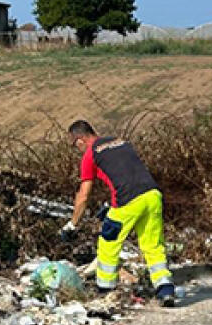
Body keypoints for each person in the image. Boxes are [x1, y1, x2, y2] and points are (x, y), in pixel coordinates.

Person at [60, 120, 176, 306]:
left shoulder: (91, 154)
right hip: (152, 195)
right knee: (153, 245)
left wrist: (72, 224)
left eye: (75, 145)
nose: (77, 149)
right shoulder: (120, 142)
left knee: (108, 242)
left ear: (80, 139)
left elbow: (83, 195)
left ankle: (105, 291)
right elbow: (126, 173)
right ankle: (165, 289)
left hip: (128, 201)